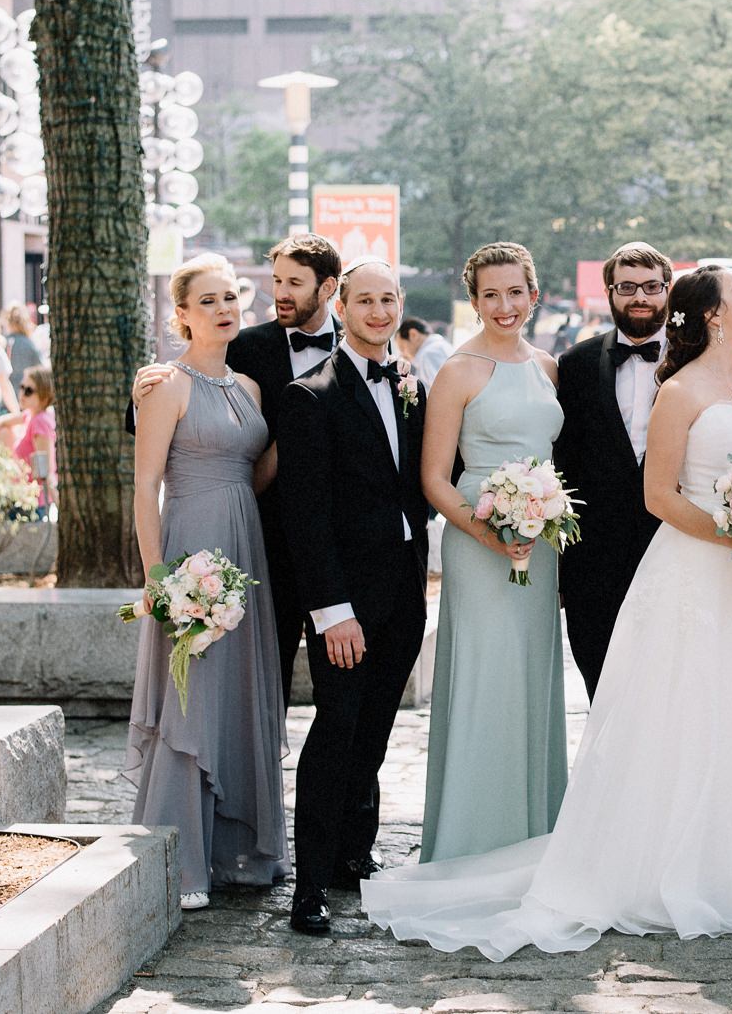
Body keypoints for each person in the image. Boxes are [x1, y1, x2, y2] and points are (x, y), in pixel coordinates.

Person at [362, 267, 732, 957]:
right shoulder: (676, 392)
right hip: (708, 567)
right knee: (689, 717)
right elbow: (660, 495)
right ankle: (674, 865)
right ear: (712, 315)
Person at [126, 254, 287, 911]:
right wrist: (159, 575)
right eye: (209, 300)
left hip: (245, 544)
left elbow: (258, 471)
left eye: (231, 297)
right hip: (192, 542)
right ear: (182, 315)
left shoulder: (248, 388)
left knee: (237, 694)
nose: (225, 308)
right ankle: (181, 858)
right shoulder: (169, 386)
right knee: (191, 696)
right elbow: (143, 485)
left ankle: (234, 854)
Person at [275, 259, 429, 935]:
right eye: (364, 300)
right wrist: (332, 611)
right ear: (341, 305)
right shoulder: (310, 394)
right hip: (346, 603)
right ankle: (307, 887)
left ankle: (352, 856)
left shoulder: (410, 385)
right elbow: (303, 518)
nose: (377, 311)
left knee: (375, 732)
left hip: (405, 590)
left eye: (388, 300)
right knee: (336, 731)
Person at [134, 234, 345, 703]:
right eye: (276, 282)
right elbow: (156, 456)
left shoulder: (351, 351)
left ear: (327, 287)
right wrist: (138, 397)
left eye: (229, 297)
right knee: (217, 676)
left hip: (310, 540)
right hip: (245, 535)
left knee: (272, 688)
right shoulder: (246, 347)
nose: (281, 292)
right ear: (184, 313)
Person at [419, 243, 567, 863]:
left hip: (541, 540)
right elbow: (434, 478)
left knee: (532, 679)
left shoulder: (549, 367)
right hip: (479, 541)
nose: (504, 306)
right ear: (474, 300)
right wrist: (488, 533)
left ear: (533, 294)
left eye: (515, 293)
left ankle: (534, 835)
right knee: (486, 679)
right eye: (490, 295)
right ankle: (472, 841)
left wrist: (539, 520)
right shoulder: (458, 370)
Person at [554, 243, 672, 699]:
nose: (639, 297)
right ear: (609, 293)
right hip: (594, 567)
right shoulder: (576, 365)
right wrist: (565, 571)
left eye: (650, 287)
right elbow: (564, 467)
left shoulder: (695, 364)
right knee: (601, 690)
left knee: (667, 694)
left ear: (667, 291)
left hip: (671, 554)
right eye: (627, 287)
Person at [0, 365, 57, 503]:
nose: (22, 394)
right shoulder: (30, 415)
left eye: (28, 391)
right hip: (19, 495)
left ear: (44, 394)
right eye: (21, 387)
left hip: (31, 503)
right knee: (4, 431)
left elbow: (45, 471)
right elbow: (2, 421)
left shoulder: (40, 422)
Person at [396, 317, 455, 388]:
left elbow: (440, 389)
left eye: (402, 348)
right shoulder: (440, 346)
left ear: (413, 335)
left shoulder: (429, 354)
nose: (403, 355)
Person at [2, 304, 43, 397]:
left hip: (6, 396)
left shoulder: (3, 343)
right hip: (26, 395)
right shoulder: (30, 344)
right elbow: (40, 368)